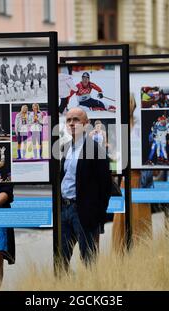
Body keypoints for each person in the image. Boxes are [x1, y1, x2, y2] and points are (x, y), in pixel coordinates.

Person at [60, 107, 112, 271]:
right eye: (68, 120)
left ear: (86, 124)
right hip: (64, 209)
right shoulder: (66, 147)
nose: (72, 123)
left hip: (83, 211)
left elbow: (105, 186)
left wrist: (97, 214)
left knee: (88, 260)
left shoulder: (96, 149)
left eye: (76, 119)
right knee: (61, 259)